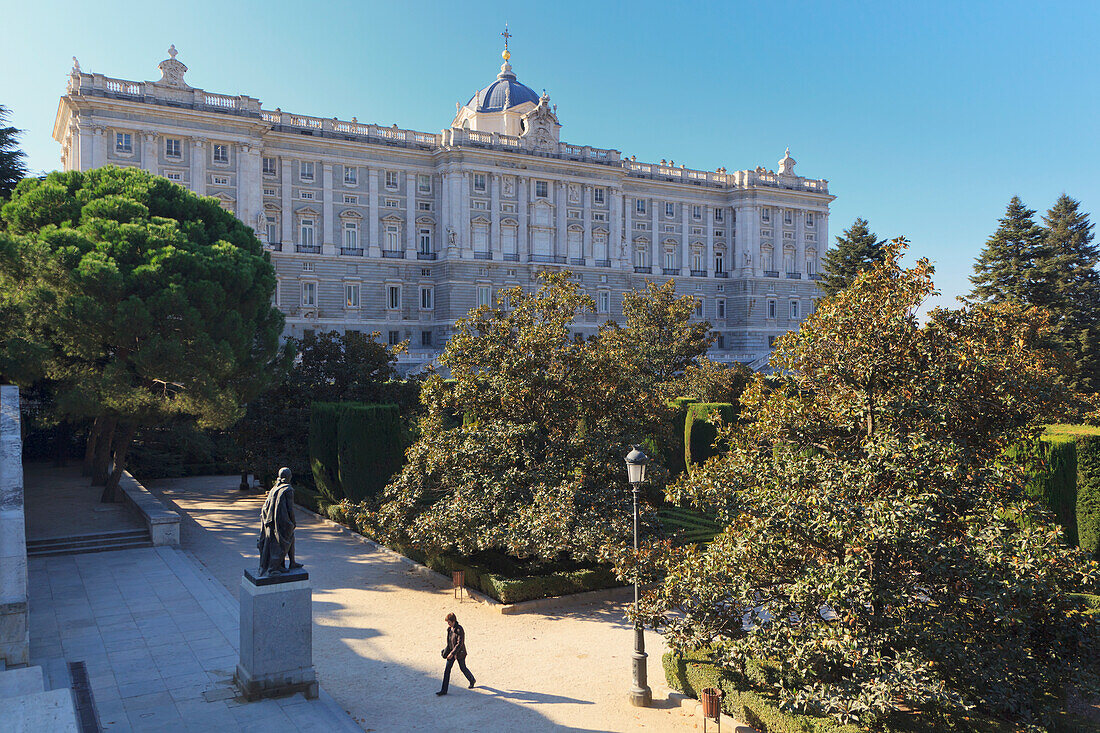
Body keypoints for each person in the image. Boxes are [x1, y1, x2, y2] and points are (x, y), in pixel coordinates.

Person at [257, 467, 303, 576]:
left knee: (290, 539)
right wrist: (293, 522)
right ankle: (273, 569)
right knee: (281, 544)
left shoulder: (275, 488)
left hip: (271, 520)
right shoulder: (288, 490)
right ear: (289, 477)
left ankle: (290, 563)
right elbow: (290, 509)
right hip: (282, 522)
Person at [436, 612, 475, 695]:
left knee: (463, 668)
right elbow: (449, 642)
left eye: (449, 622)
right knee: (447, 670)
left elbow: (460, 643)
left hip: (460, 653)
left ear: (453, 621)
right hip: (452, 653)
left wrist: (452, 653)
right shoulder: (449, 629)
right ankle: (444, 690)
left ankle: (472, 680)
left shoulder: (459, 629)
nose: (448, 624)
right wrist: (447, 652)